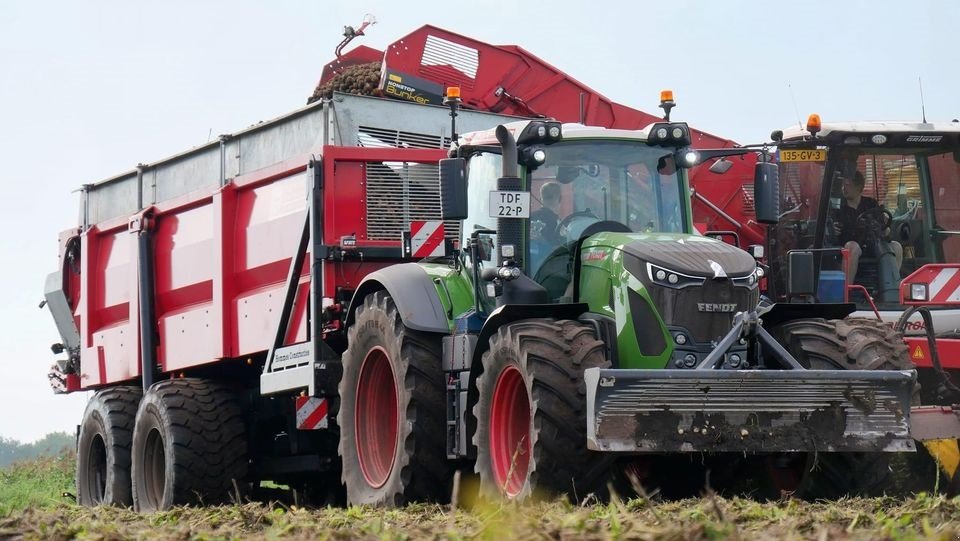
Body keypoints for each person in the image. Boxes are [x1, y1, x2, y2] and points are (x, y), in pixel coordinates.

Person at [833, 171, 903, 283]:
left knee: (896, 247)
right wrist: (833, 230)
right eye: (842, 185)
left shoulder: (871, 204)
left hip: (872, 244)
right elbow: (831, 229)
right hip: (849, 246)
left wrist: (885, 229)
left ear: (859, 186)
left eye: (847, 185)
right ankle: (846, 291)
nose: (843, 188)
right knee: (852, 247)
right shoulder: (838, 207)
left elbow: (883, 228)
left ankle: (893, 286)